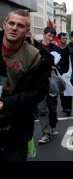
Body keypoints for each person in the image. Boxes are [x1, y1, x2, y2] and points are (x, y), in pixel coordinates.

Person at [0, 9, 52, 161]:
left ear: (27, 31)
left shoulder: (35, 56)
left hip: (15, 128)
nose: (14, 28)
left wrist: (5, 104)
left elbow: (37, 93)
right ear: (5, 25)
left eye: (20, 25)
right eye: (11, 23)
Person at [37, 26, 62, 144]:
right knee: (42, 109)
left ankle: (53, 125)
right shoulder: (36, 46)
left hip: (51, 82)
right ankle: (45, 132)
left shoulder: (55, 48)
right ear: (44, 34)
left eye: (52, 36)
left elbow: (60, 64)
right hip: (39, 82)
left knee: (52, 107)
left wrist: (55, 67)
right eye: (48, 35)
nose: (50, 38)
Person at [58, 32, 73, 116]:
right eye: (63, 38)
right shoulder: (57, 49)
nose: (64, 40)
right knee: (62, 90)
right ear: (59, 39)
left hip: (68, 71)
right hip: (59, 72)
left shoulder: (69, 49)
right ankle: (64, 106)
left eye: (65, 38)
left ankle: (68, 108)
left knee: (68, 89)